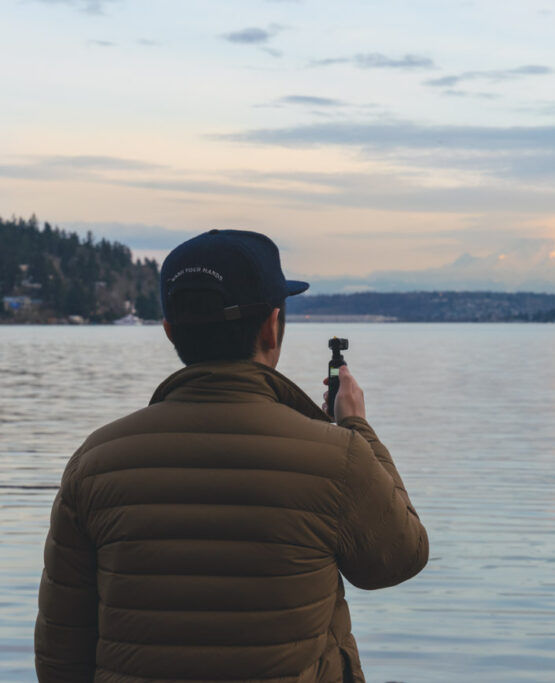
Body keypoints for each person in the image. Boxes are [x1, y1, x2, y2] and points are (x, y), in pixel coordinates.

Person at [35, 229, 428, 683]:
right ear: (270, 326)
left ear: (169, 332)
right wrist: (357, 427)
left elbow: (61, 651)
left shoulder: (95, 462)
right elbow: (400, 557)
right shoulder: (337, 457)